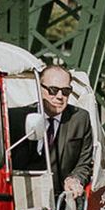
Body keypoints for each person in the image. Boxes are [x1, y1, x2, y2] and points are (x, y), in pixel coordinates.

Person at [11, 64, 94, 199]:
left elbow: (84, 162)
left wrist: (75, 179)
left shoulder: (80, 119)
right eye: (53, 90)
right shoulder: (16, 118)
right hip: (22, 198)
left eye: (66, 91)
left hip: (62, 199)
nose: (60, 96)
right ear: (39, 88)